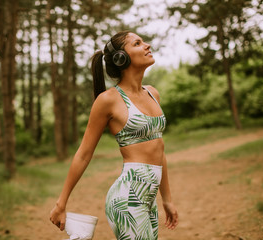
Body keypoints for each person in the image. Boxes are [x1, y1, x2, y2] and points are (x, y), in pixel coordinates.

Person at [50, 30, 178, 239]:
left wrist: (167, 199)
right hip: (127, 199)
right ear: (121, 58)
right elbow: (84, 153)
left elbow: (159, 149)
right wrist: (60, 203)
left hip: (148, 199)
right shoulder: (108, 100)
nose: (146, 45)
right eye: (137, 43)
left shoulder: (152, 93)